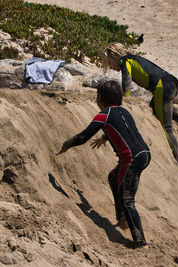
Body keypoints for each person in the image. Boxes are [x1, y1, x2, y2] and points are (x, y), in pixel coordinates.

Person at [57, 80, 150, 249]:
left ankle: (141, 242)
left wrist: (67, 144)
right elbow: (124, 128)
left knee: (128, 199)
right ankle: (122, 219)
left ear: (100, 97)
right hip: (144, 153)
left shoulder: (104, 115)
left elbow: (83, 137)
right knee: (113, 177)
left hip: (131, 158)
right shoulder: (124, 111)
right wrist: (105, 137)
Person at [101, 42, 178, 171]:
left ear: (114, 56)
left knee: (166, 127)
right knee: (156, 106)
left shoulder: (125, 61)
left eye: (109, 63)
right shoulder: (134, 57)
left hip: (162, 87)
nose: (111, 67)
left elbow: (127, 81)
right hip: (172, 82)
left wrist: (123, 99)